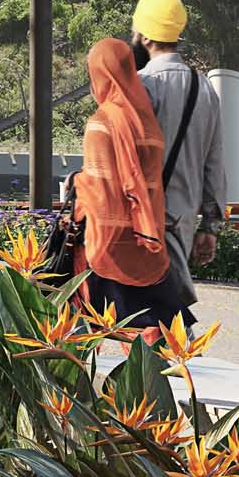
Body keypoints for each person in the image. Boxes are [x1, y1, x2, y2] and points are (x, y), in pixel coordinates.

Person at [130, 0, 228, 325]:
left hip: (141, 224)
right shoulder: (205, 89)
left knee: (144, 322)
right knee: (163, 315)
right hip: (182, 226)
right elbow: (214, 162)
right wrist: (210, 226)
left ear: (142, 34)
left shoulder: (142, 85)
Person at [69, 37, 178, 329]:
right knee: (149, 331)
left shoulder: (102, 122)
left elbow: (99, 189)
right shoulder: (148, 124)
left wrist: (77, 182)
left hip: (104, 242)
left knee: (81, 331)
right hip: (146, 240)